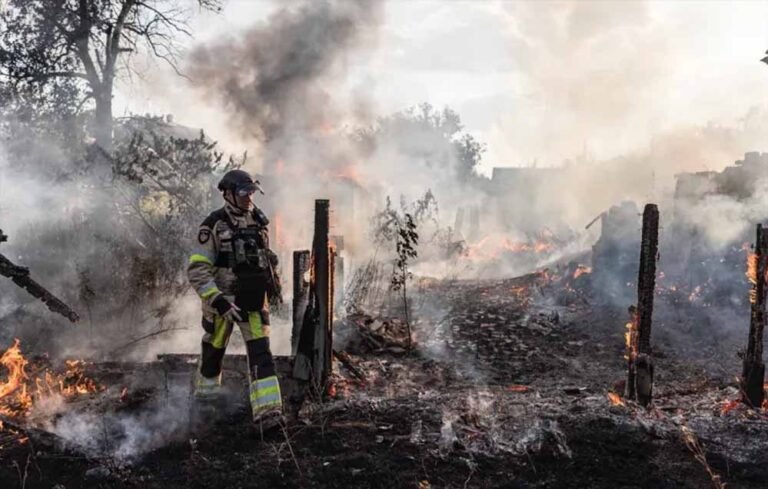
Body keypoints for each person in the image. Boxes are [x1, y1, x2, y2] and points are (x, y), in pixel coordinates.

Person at [187, 169, 283, 430]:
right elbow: (197, 269)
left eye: (251, 191)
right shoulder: (213, 225)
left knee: (261, 353)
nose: (249, 197)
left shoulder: (258, 221)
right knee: (214, 351)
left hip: (253, 302)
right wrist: (217, 300)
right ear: (228, 194)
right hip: (223, 303)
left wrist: (273, 284)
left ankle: (269, 413)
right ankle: (205, 404)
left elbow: (263, 258)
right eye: (243, 192)